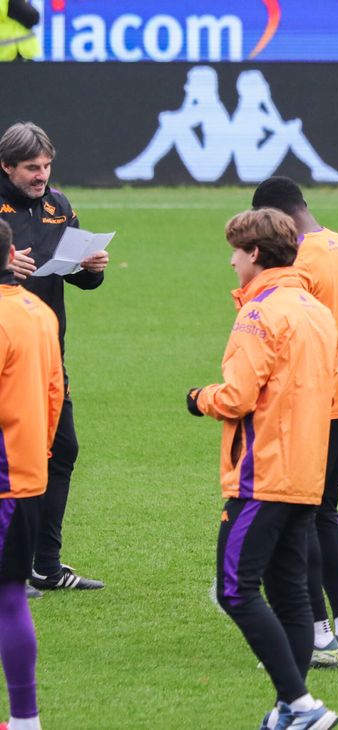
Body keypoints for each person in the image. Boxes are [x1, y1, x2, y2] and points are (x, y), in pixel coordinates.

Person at [188, 208, 338, 729]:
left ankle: (301, 705)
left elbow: (235, 397)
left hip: (263, 474)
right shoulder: (317, 311)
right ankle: (287, 711)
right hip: (305, 473)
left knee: (235, 589)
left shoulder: (259, 314)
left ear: (255, 254)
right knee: (291, 593)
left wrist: (197, 397)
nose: (231, 261)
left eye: (236, 251)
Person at [251, 176, 338, 668]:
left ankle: (317, 635)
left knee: (299, 514)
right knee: (324, 510)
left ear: (278, 219)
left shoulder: (296, 260)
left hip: (313, 400)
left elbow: (292, 329)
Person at [0, 122, 107, 592]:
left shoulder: (57, 206)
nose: (41, 175)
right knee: (11, 460)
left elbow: (78, 278)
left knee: (62, 450)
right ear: (6, 166)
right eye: (31, 168)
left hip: (47, 354)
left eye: (46, 166)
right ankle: (11, 569)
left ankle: (45, 565)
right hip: (6, 355)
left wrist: (90, 269)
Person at [0, 218, 63, 730]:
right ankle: (25, 720)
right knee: (11, 596)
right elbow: (54, 392)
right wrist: (36, 452)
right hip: (25, 474)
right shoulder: (38, 311)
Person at [115, 66, 232, 183]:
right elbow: (182, 116)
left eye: (190, 83)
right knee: (174, 126)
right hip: (206, 165)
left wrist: (188, 99)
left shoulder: (209, 108)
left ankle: (143, 165)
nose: (186, 87)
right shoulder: (209, 105)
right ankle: (143, 165)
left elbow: (174, 120)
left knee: (173, 126)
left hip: (208, 170)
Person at [233, 71, 338, 184]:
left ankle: (319, 168)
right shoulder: (249, 113)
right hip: (251, 171)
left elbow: (279, 126)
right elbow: (280, 128)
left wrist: (267, 101)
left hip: (253, 167)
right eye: (262, 84)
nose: (266, 87)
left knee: (290, 131)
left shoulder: (251, 110)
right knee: (290, 131)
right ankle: (319, 168)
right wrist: (267, 100)